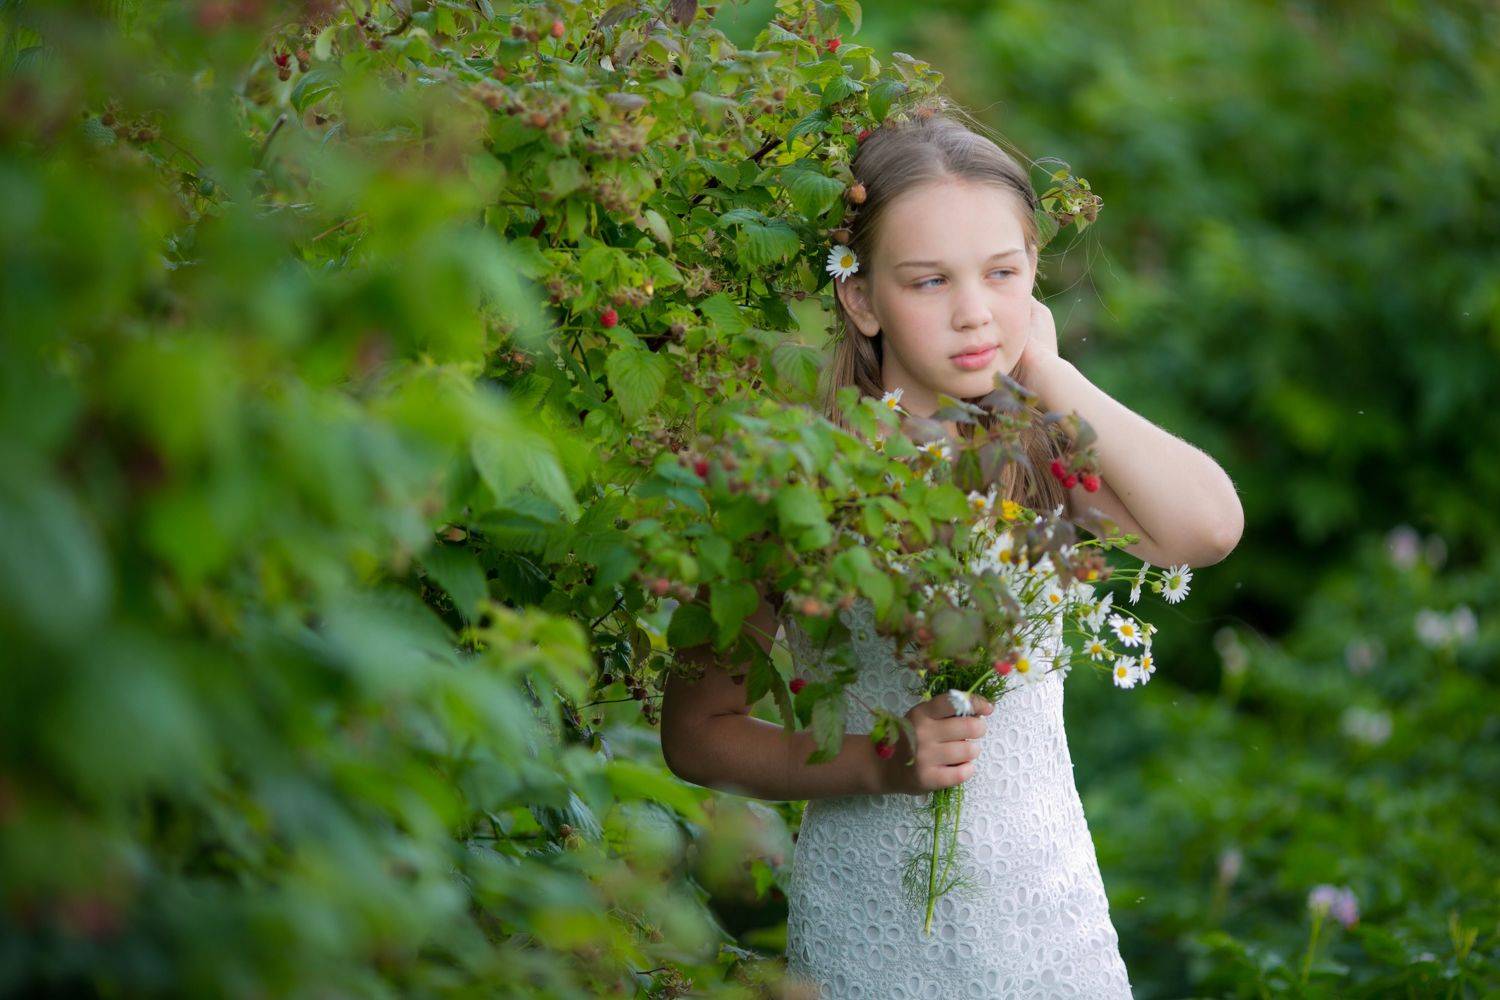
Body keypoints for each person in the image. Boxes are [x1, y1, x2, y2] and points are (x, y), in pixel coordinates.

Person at [660, 99, 1243, 998]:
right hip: (872, 918)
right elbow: (697, 734)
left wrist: (1047, 370)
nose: (976, 313)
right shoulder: (795, 478)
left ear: (1035, 278)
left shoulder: (1050, 453)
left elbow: (1206, 528)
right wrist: (871, 762)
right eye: (930, 282)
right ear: (861, 297)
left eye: (1002, 274)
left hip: (1049, 916)